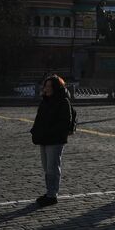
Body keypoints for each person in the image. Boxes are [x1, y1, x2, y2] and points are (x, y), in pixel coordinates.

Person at [30, 75, 76, 206]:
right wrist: (35, 131)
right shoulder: (45, 100)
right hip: (44, 138)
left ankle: (52, 195)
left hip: (55, 139)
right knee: (46, 167)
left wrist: (49, 131)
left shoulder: (63, 101)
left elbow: (64, 122)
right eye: (46, 86)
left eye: (49, 86)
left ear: (56, 87)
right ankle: (50, 191)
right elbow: (39, 118)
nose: (47, 88)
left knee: (53, 168)